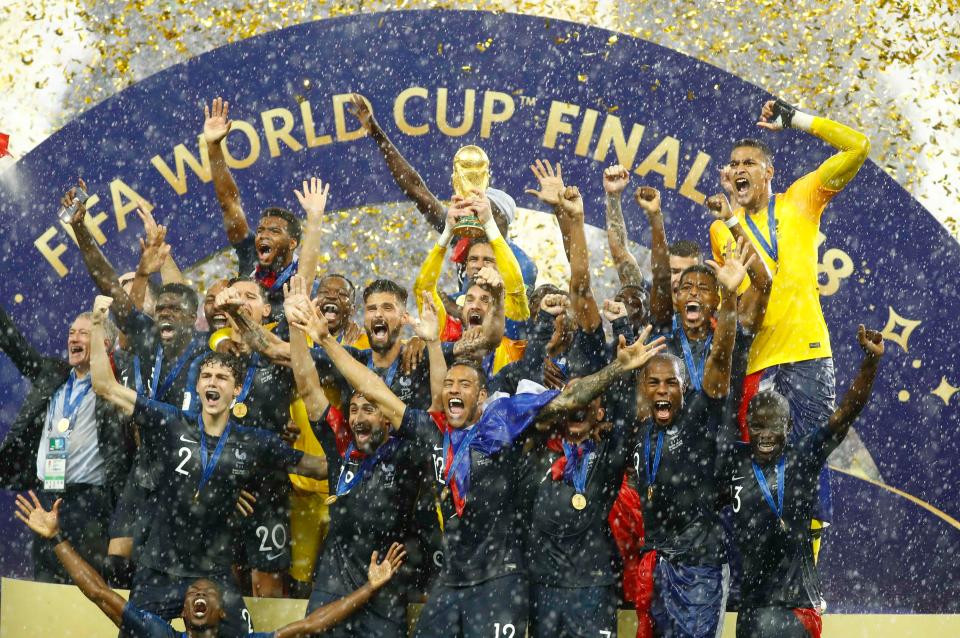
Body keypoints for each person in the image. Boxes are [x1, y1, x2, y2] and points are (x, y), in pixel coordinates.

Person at [292, 277, 666, 637]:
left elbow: (570, 397)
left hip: (499, 580)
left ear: (483, 397)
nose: (454, 389)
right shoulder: (432, 431)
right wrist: (325, 340)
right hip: (452, 578)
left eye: (465, 385)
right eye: (449, 384)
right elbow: (373, 387)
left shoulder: (503, 424)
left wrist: (618, 368)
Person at [87, 295, 328, 638]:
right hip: (159, 568)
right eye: (207, 376)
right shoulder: (171, 422)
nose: (213, 382)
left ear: (237, 390)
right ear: (198, 385)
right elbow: (105, 386)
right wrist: (98, 326)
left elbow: (317, 468)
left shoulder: (254, 441)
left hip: (213, 574)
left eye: (222, 378)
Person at [708, 98, 871, 541]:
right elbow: (752, 296)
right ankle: (762, 574)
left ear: (768, 172)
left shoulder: (801, 199)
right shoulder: (722, 229)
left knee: (808, 462)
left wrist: (797, 120)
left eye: (750, 163)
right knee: (760, 465)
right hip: (759, 362)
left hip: (807, 354)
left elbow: (859, 147)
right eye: (733, 163)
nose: (739, 168)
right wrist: (735, 220)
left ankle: (805, 590)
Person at [13, 490, 406, 638]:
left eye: (207, 594)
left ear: (223, 612)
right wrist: (57, 538)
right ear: (182, 612)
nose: (198, 595)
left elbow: (313, 624)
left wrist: (369, 588)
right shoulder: (159, 635)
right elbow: (99, 593)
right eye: (192, 594)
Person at [284, 275, 428, 637]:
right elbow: (307, 384)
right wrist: (295, 327)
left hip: (387, 591)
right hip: (332, 587)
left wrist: (327, 340)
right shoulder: (340, 447)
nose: (359, 417)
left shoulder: (407, 450)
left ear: (386, 417)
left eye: (369, 410)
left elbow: (377, 388)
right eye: (354, 410)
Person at [723, 326, 883, 637]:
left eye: (775, 425)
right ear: (747, 426)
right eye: (757, 425)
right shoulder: (734, 461)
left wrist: (870, 363)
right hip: (751, 608)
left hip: (795, 607)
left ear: (789, 426)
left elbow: (847, 413)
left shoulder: (803, 457)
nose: (766, 434)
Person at [630, 246, 748, 637]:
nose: (662, 390)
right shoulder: (658, 355)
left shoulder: (702, 403)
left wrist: (731, 296)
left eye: (704, 287)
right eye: (685, 288)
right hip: (658, 547)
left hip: (702, 544)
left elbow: (720, 361)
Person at [346, 93, 537, 296]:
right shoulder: (464, 239)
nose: (476, 216)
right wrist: (376, 132)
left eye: (484, 210)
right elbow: (416, 190)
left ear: (503, 221)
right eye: (473, 210)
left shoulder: (522, 264)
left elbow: (511, 316)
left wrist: (450, 306)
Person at [0, 303, 129, 584]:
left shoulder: (116, 383)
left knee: (89, 583)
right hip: (47, 498)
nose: (73, 338)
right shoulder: (52, 374)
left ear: (104, 344)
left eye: (84, 333)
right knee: (47, 581)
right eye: (71, 333)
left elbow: (135, 347)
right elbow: (14, 344)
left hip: (90, 504)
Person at [204, 97, 302, 320]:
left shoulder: (302, 282)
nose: (262, 236)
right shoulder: (250, 254)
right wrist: (214, 148)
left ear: (293, 243)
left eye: (275, 232)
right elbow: (229, 203)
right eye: (260, 231)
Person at [413, 192, 530, 372]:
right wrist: (447, 233)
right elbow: (423, 290)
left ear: (501, 268)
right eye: (473, 259)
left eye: (488, 260)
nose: (479, 266)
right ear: (465, 266)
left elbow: (516, 289)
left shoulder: (513, 311)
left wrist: (490, 224)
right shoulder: (449, 320)